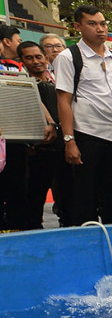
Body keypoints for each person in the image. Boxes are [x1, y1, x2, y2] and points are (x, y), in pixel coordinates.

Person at [54, 5, 112, 226]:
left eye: (103, 24)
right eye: (92, 24)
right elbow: (63, 101)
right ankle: (86, 243)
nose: (100, 29)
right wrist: (69, 141)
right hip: (87, 135)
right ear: (78, 26)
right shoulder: (69, 57)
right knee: (85, 197)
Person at [16, 41, 62, 229]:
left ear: (45, 57)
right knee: (35, 199)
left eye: (38, 56)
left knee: (66, 197)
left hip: (61, 148)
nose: (35, 61)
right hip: (36, 151)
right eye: (29, 58)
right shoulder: (21, 84)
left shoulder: (56, 81)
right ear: (22, 61)